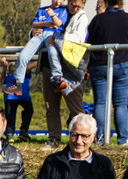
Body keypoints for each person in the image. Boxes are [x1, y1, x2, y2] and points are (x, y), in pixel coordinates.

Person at [40, 0, 89, 150]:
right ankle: (53, 139)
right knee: (51, 106)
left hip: (68, 70)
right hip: (49, 67)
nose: (74, 8)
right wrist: (35, 32)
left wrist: (56, 37)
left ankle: (83, 139)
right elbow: (36, 26)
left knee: (76, 108)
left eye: (77, 6)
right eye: (72, 4)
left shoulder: (82, 18)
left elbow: (78, 38)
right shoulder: (51, 10)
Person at [87, 0, 128, 145]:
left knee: (100, 103)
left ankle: (100, 137)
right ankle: (123, 138)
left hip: (100, 64)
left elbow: (91, 37)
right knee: (120, 104)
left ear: (105, 2)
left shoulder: (97, 19)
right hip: (122, 63)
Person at [4, 0, 68, 96]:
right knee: (23, 56)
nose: (58, 1)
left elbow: (58, 24)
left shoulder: (63, 10)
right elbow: (34, 24)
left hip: (52, 35)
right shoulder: (42, 10)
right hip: (39, 35)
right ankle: (17, 83)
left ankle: (57, 78)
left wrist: (52, 16)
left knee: (52, 53)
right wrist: (47, 24)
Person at [0, 55, 32, 142]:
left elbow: (29, 66)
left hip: (23, 96)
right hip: (11, 97)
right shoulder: (9, 76)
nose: (15, 64)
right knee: (10, 115)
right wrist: (4, 67)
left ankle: (24, 131)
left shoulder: (24, 73)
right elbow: (2, 80)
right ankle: (10, 133)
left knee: (29, 111)